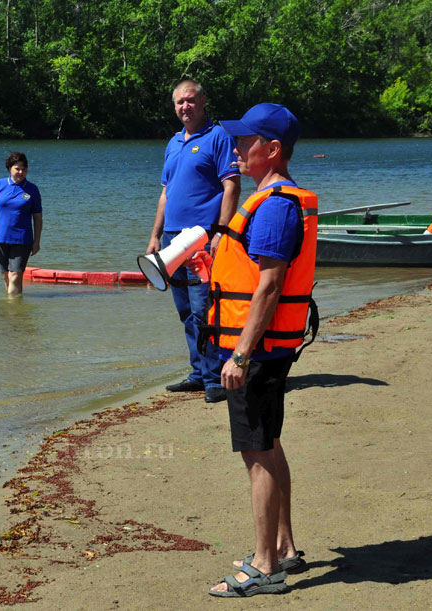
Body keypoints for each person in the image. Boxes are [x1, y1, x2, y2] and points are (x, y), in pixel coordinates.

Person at [202, 103, 319, 597]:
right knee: (269, 442)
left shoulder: (274, 205)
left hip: (259, 351)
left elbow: (270, 288)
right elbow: (254, 276)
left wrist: (240, 355)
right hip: (271, 348)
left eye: (245, 141)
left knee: (257, 453)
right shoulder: (274, 201)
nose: (236, 149)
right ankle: (284, 548)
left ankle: (265, 566)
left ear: (272, 150)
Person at [146, 79, 241, 403]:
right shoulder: (173, 143)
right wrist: (155, 236)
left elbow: (231, 186)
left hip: (202, 238)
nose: (184, 107)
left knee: (206, 310)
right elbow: (165, 194)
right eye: (178, 103)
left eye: (189, 101)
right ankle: (198, 373)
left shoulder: (219, 137)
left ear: (202, 102)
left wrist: (221, 233)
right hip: (172, 238)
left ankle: (216, 378)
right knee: (185, 310)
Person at [0, 152, 43, 296]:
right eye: (17, 168)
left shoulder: (32, 189)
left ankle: (12, 310)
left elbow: (38, 217)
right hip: (0, 238)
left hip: (22, 239)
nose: (21, 172)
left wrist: (36, 242)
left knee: (16, 275)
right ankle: (14, 310)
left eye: (24, 169)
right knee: (6, 276)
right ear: (9, 168)